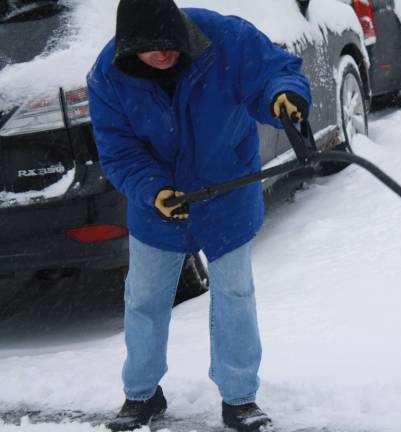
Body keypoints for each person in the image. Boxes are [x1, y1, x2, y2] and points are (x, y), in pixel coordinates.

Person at [86, 0, 311, 431]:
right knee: (146, 299)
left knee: (235, 293)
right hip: (158, 203)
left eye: (170, 44)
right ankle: (142, 394)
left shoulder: (223, 38)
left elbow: (273, 71)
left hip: (226, 187)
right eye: (151, 49)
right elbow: (117, 152)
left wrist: (285, 96)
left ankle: (240, 398)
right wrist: (153, 192)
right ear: (129, 46)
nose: (163, 54)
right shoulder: (108, 75)